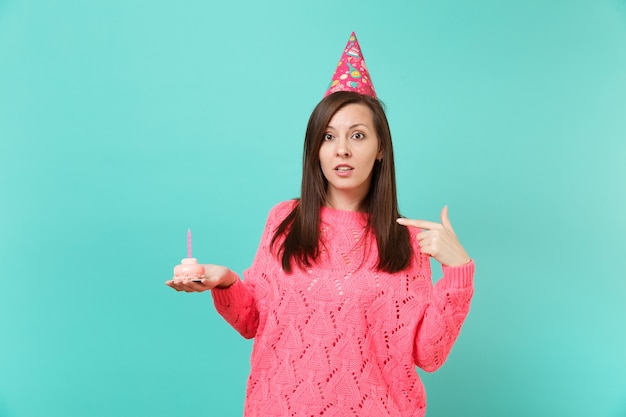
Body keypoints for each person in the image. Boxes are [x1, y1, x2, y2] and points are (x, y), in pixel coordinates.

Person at [166, 33, 474, 417]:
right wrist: (226, 280)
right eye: (328, 137)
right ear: (316, 148)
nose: (341, 149)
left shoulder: (406, 240)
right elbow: (251, 321)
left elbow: (427, 355)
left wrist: (458, 273)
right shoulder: (284, 220)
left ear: (381, 149)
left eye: (357, 136)